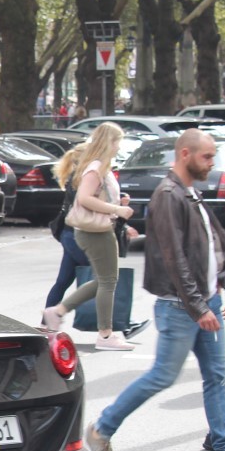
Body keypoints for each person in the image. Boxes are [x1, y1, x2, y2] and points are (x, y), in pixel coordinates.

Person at [85, 129, 225, 451]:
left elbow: (210, 248)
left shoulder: (188, 193)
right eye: (207, 157)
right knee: (162, 376)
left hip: (204, 301)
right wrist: (199, 307)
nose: (212, 163)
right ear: (185, 154)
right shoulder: (169, 195)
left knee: (218, 376)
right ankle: (101, 430)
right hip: (181, 307)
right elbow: (175, 258)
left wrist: (219, 292)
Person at [41, 123, 136, 349]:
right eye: (117, 142)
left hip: (95, 230)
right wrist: (117, 210)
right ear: (109, 143)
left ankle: (57, 312)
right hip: (93, 232)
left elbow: (95, 198)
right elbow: (84, 198)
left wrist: (117, 203)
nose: (119, 147)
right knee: (106, 281)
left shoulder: (101, 167)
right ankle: (104, 335)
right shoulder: (95, 168)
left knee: (104, 280)